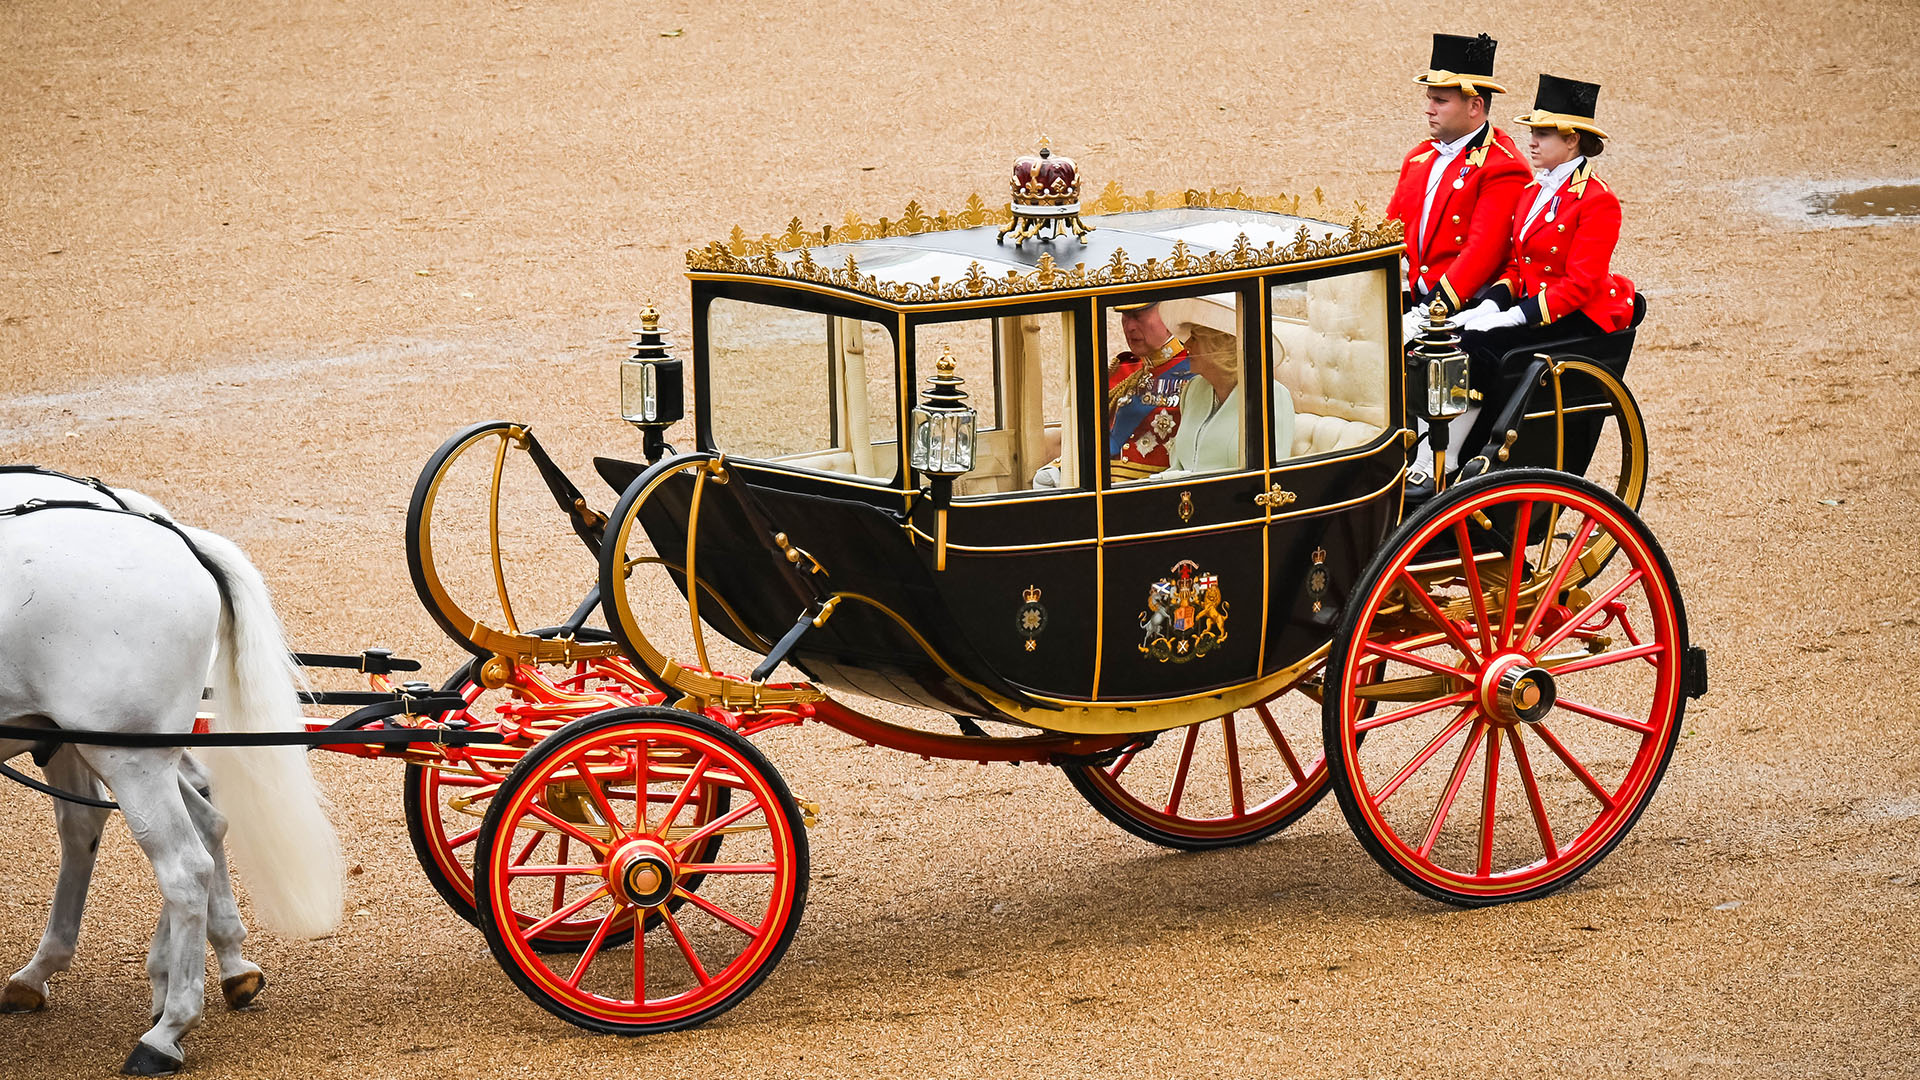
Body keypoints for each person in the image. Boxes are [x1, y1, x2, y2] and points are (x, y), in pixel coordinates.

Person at [1444, 71, 1635, 480]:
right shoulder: (1532, 191)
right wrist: (1489, 304)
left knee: (1477, 349)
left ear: (1572, 140)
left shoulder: (1598, 200)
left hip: (1574, 317)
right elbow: (1517, 263)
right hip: (1533, 306)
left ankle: (1450, 459)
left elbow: (1581, 283)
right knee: (1454, 337)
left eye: (1544, 134)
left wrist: (1515, 317)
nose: (1531, 141)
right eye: (1533, 131)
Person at [1386, 32, 1530, 338]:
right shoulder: (1419, 157)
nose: (1429, 108)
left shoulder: (1504, 166)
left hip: (1465, 308)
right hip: (1417, 299)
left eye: (1440, 100)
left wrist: (1427, 311)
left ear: (1475, 106)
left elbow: (1481, 254)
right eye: (1429, 99)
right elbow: (1390, 232)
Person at [1160, 306, 1297, 476]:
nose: (1186, 344)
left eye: (1194, 338)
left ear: (1220, 346)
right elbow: (1177, 467)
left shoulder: (1271, 396)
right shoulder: (1193, 389)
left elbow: (1271, 476)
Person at [1105, 301, 1198, 482]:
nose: (1130, 327)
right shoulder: (1124, 369)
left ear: (1169, 316)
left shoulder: (1196, 369)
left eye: (1139, 316)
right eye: (1126, 317)